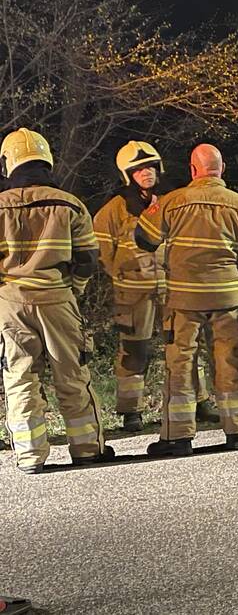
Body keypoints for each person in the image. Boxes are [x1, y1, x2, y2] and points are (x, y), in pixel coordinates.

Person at [135, 143, 238, 456]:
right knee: (229, 362)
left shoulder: (171, 203)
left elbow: (144, 239)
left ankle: (177, 438)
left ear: (193, 170)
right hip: (227, 298)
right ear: (221, 169)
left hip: (184, 300)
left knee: (180, 365)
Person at [0, 128, 114, 473]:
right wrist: (74, 289)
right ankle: (86, 448)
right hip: (57, 297)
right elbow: (88, 258)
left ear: (7, 164)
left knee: (19, 377)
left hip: (10, 302)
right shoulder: (69, 204)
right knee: (72, 373)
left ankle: (30, 455)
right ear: (45, 159)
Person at [94, 141, 220, 432]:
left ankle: (200, 401)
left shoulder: (172, 201)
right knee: (132, 350)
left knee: (184, 346)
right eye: (138, 169)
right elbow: (98, 250)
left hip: (173, 287)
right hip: (133, 294)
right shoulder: (114, 209)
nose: (146, 173)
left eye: (150, 167)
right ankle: (131, 411)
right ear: (127, 175)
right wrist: (121, 275)